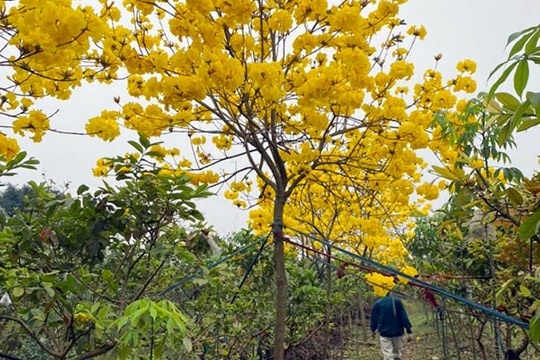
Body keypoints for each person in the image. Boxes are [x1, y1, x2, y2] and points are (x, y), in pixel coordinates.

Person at [370, 291, 413, 360]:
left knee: (387, 355)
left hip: (384, 334)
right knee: (397, 352)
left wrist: (373, 329)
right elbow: (404, 316)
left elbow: (374, 319)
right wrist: (409, 330)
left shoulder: (378, 303)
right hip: (398, 333)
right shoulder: (397, 301)